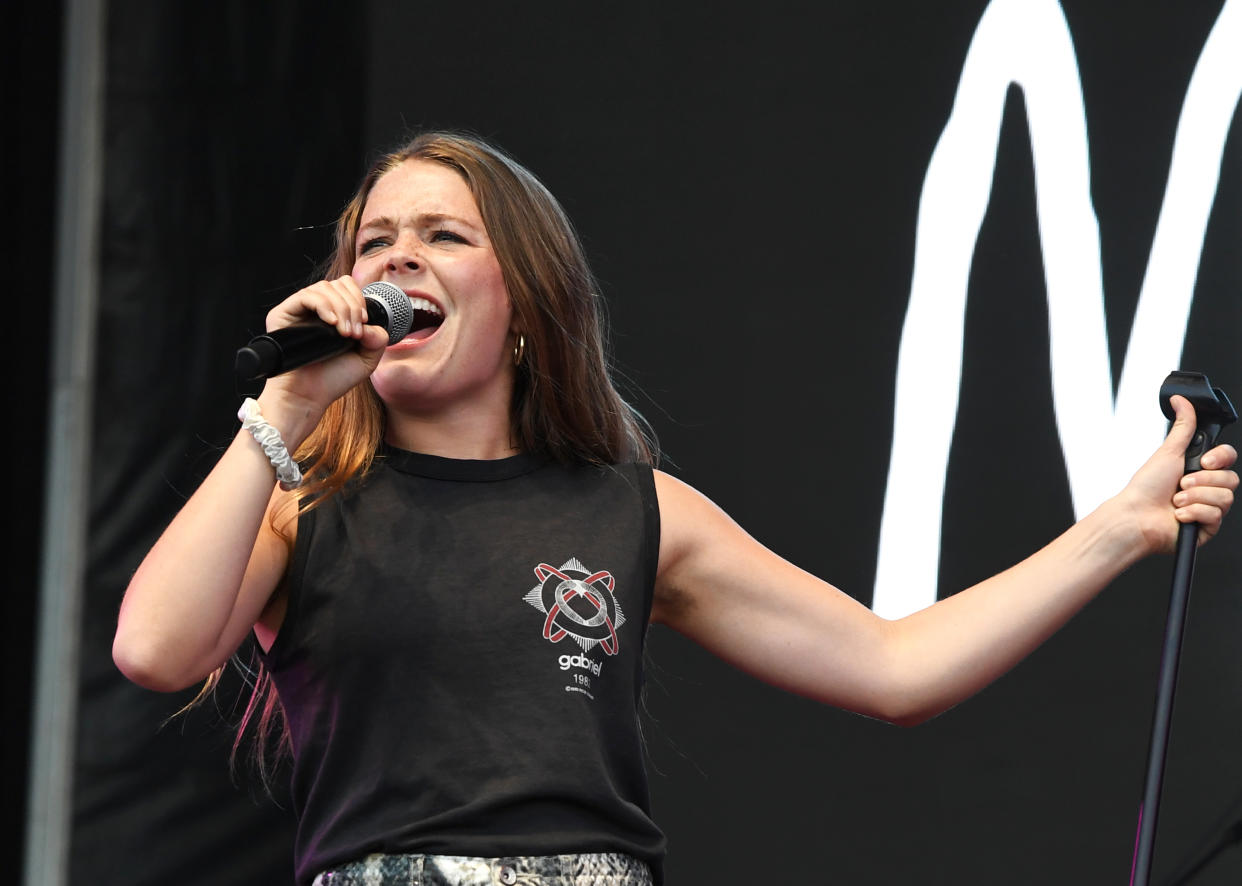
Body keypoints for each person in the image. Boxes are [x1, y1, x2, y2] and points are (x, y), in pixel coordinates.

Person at [113, 131, 1237, 886]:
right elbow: (157, 649)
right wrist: (286, 405)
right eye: (374, 243)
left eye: (443, 236)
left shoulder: (635, 510)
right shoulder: (298, 496)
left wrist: (1122, 527)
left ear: (521, 305)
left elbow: (895, 669)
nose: (397, 257)